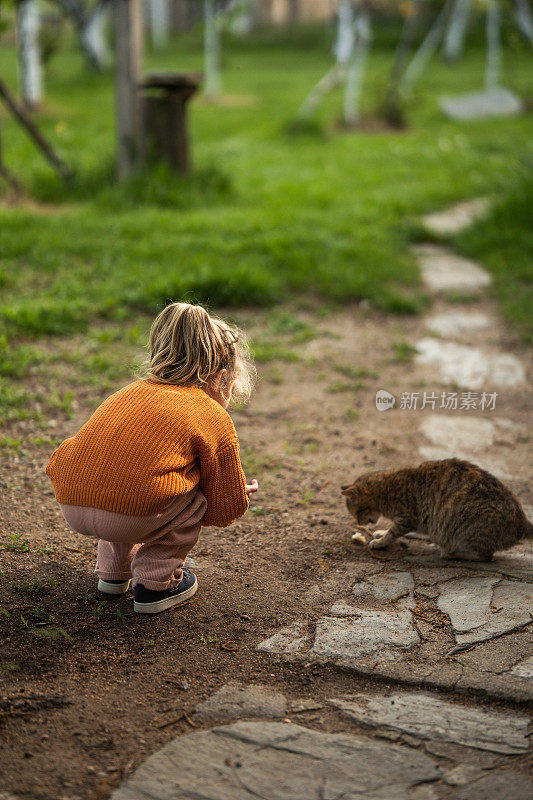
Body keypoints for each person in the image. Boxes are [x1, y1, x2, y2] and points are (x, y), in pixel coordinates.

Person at [45, 302, 258, 614]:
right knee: (194, 496)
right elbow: (224, 508)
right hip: (129, 514)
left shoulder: (128, 392)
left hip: (72, 501)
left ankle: (113, 573)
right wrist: (235, 494)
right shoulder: (209, 412)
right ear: (220, 377)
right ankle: (157, 585)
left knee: (132, 476)